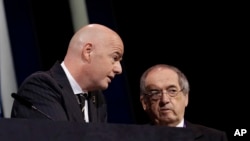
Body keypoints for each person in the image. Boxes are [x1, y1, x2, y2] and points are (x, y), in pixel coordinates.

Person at [11, 23, 124, 123]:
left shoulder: (98, 100)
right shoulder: (40, 87)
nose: (119, 69)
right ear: (88, 52)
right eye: (115, 58)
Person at [139, 64, 228, 141]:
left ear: (186, 98)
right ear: (144, 103)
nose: (165, 100)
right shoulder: (133, 138)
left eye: (172, 91)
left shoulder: (215, 138)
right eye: (155, 93)